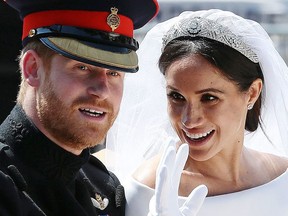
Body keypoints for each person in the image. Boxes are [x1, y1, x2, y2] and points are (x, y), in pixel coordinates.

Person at [103, 9, 288, 215]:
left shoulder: (282, 178)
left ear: (252, 93)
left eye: (209, 98)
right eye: (177, 97)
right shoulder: (148, 191)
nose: (189, 119)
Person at [0, 0, 159, 215]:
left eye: (114, 73)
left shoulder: (105, 187)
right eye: (82, 67)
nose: (102, 90)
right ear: (33, 69)